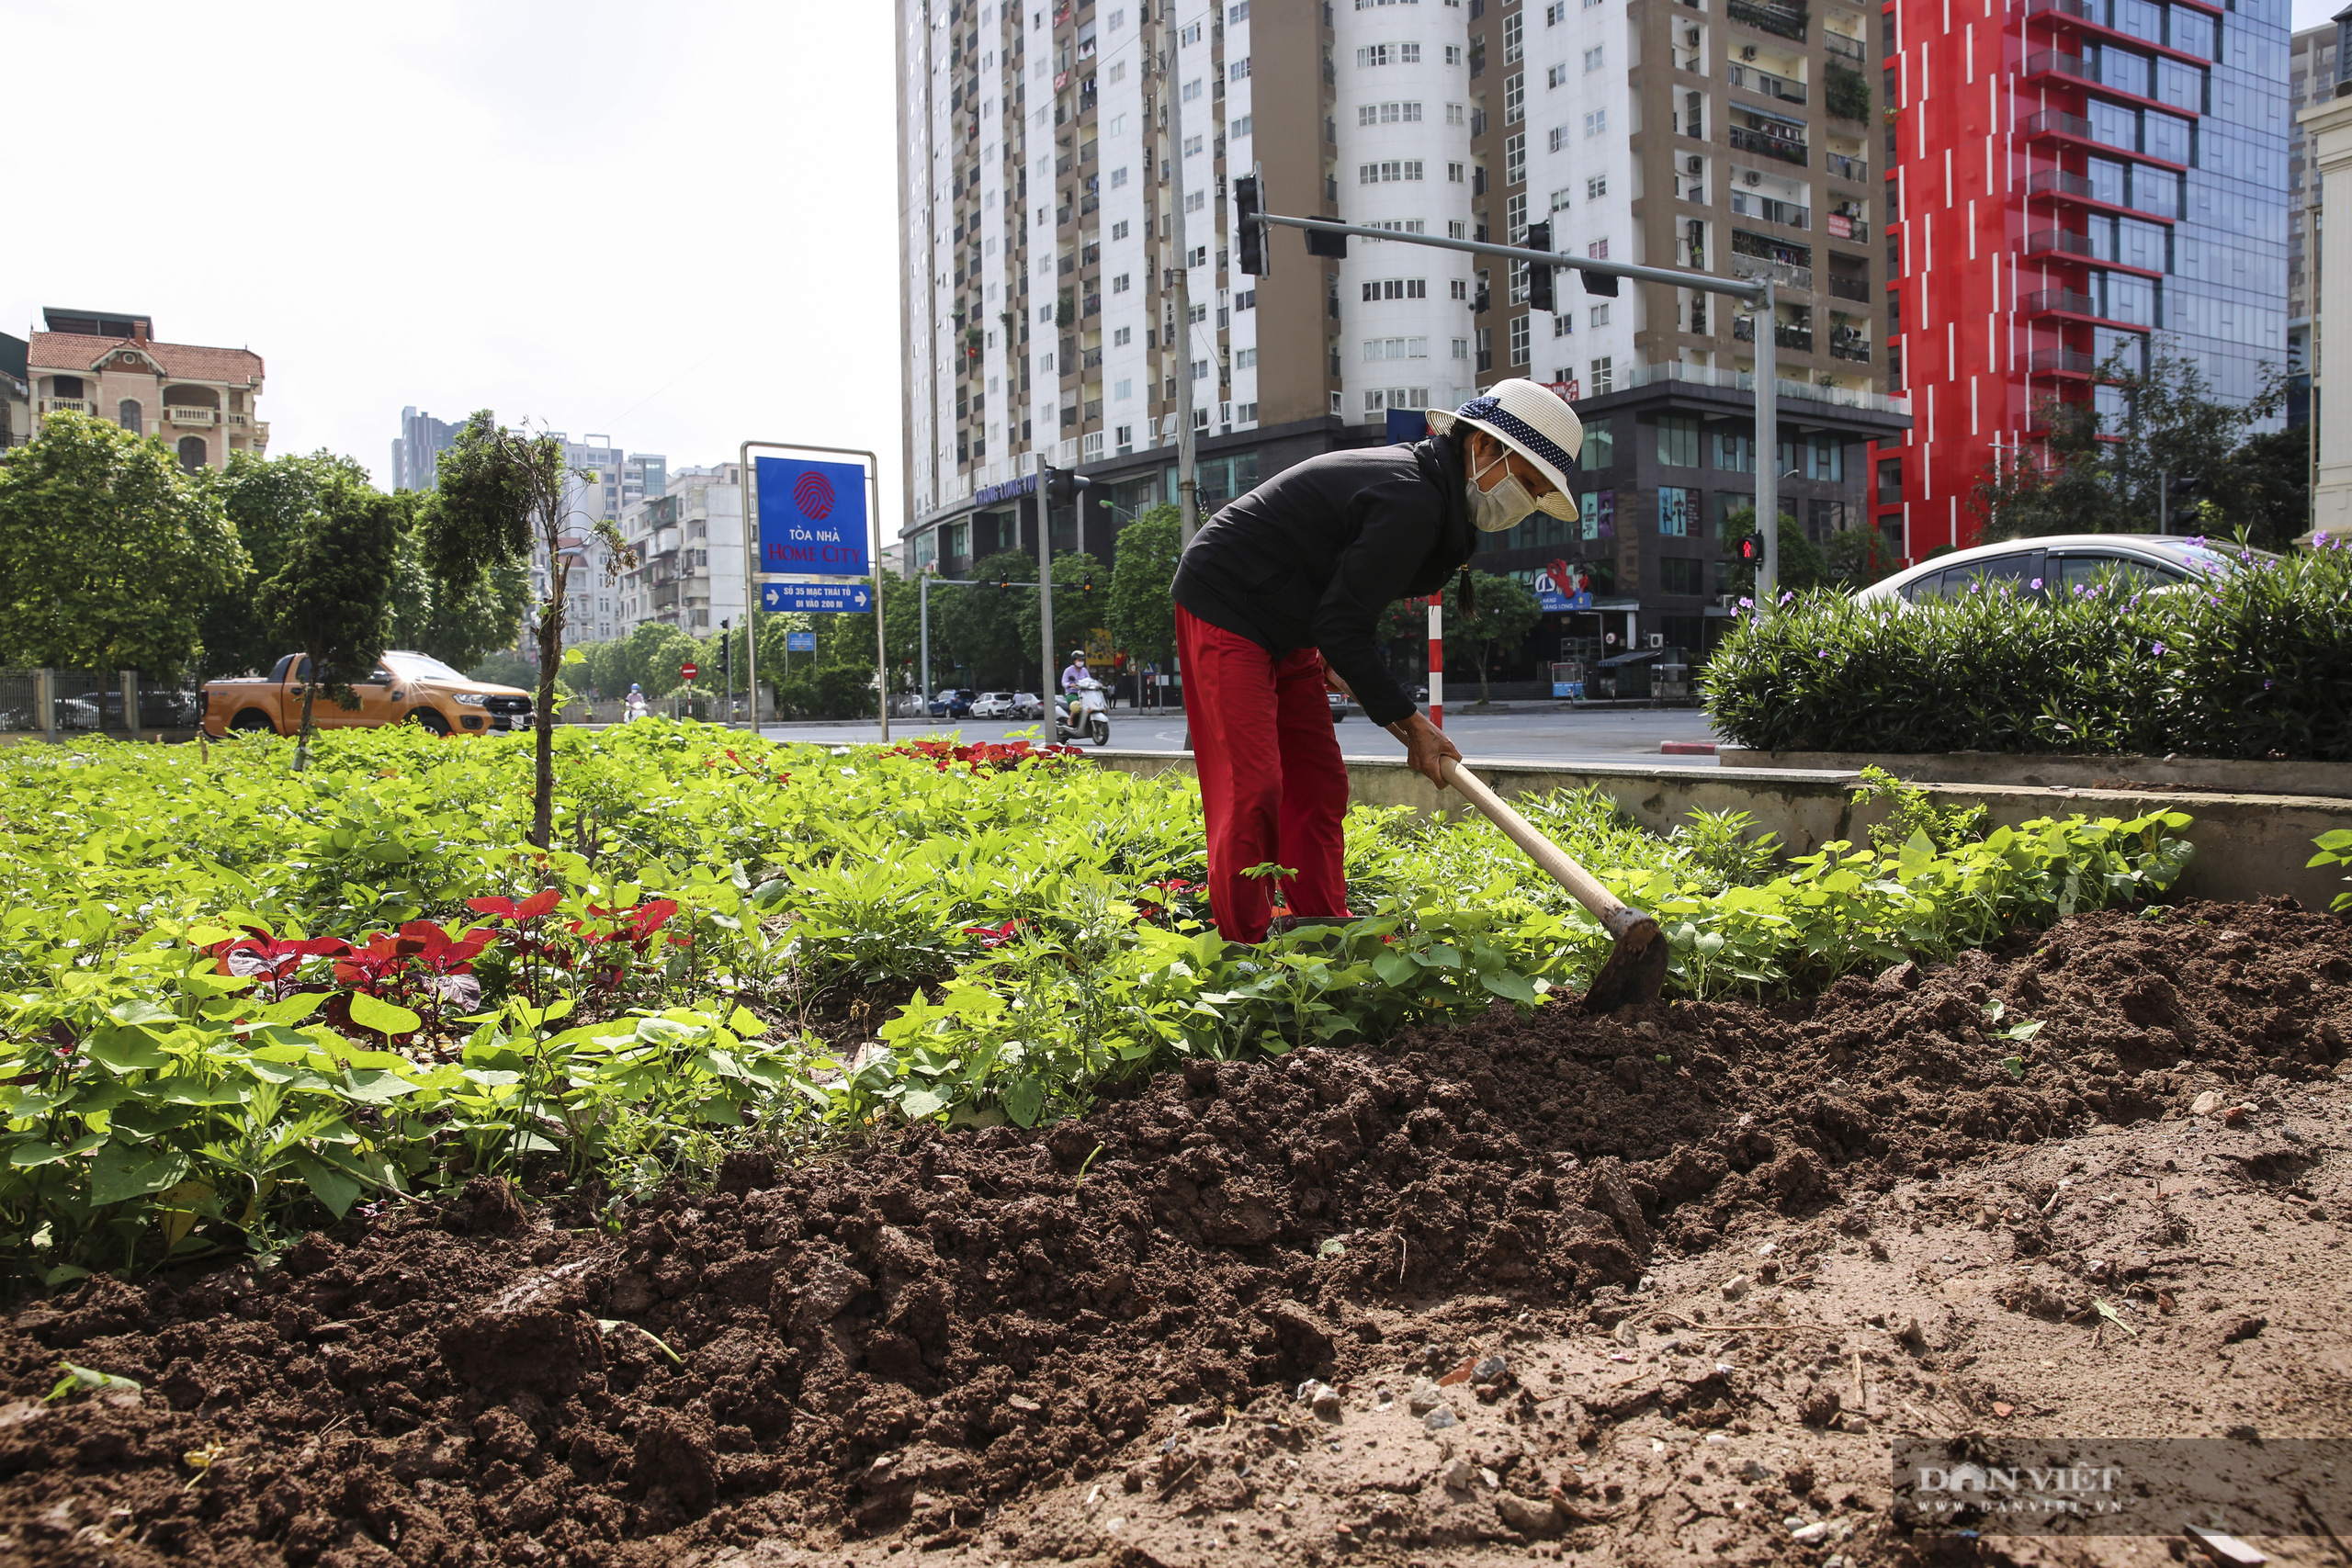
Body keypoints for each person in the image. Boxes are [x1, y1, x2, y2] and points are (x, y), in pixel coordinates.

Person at [1170, 378, 1582, 943]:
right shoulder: (1411, 496)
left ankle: (1325, 937)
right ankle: (1245, 949)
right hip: (1227, 602)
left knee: (1318, 783)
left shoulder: (1435, 499)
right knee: (1255, 787)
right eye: (1529, 483)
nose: (1526, 502)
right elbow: (1343, 625)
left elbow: (1342, 605)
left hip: (1291, 620)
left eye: (1536, 495)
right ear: (1483, 448)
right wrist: (1415, 727)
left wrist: (1343, 661)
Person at [1059, 649, 1090, 727]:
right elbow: (1064, 682)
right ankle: (1071, 719)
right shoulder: (1068, 670)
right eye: (1079, 660)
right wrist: (1070, 685)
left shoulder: (1084, 670)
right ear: (1074, 660)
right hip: (1072, 693)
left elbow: (1089, 680)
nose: (1081, 662)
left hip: (1083, 693)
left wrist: (1097, 684)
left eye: (1082, 660)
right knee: (1077, 704)